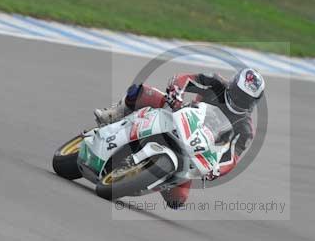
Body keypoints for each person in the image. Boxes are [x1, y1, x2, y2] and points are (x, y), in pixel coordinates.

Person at [94, 68, 265, 208]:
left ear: (254, 102)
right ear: (233, 85)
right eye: (239, 93)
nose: (240, 100)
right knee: (143, 92)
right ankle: (115, 113)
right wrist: (177, 93)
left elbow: (231, 157)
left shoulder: (246, 129)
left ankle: (148, 177)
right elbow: (186, 79)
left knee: (177, 200)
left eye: (247, 99)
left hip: (195, 149)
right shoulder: (216, 83)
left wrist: (217, 169)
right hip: (179, 117)